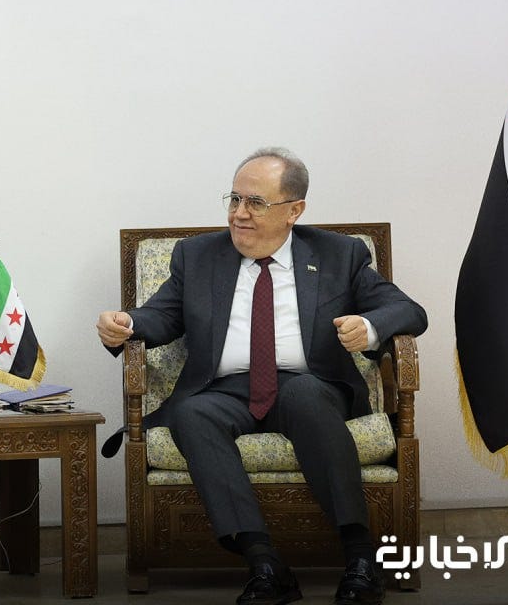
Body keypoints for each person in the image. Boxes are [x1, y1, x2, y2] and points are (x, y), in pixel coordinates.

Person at [96, 147, 426, 605]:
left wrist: (369, 328)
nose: (239, 213)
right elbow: (162, 315)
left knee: (305, 394)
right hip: (225, 390)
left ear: (294, 211)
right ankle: (265, 565)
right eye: (234, 199)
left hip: (309, 385)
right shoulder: (197, 256)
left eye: (255, 202)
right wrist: (126, 323)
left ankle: (360, 559)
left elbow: (409, 310)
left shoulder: (339, 254)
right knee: (192, 413)